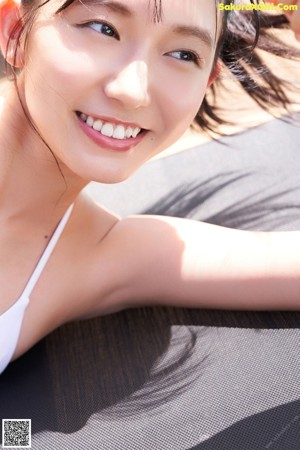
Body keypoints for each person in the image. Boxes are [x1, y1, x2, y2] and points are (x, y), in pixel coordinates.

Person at [0, 0, 299, 376]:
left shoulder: (101, 255)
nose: (133, 90)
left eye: (182, 53)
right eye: (102, 28)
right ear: (15, 33)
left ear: (208, 81)